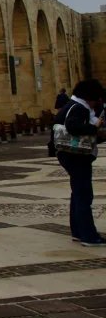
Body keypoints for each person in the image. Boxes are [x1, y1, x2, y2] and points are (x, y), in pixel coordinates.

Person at [51, 79, 106, 247]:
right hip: (75, 155)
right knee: (83, 195)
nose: (96, 102)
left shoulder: (71, 105)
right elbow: (74, 127)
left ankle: (78, 231)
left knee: (78, 193)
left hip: (67, 154)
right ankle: (88, 236)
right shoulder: (79, 108)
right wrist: (95, 128)